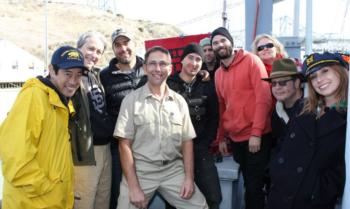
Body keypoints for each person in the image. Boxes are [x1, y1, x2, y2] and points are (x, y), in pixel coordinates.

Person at [115, 46, 208, 209]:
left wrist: (188, 178)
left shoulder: (179, 102)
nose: (157, 69)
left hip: (173, 170)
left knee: (200, 207)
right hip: (141, 171)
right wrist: (134, 187)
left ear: (170, 69)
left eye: (163, 64)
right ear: (144, 68)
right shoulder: (131, 101)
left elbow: (187, 142)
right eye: (152, 64)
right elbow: (124, 145)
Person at [0, 46, 86, 209]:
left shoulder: (60, 100)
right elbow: (15, 156)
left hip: (51, 200)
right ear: (52, 70)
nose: (74, 81)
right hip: (33, 202)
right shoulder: (34, 97)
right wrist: (46, 188)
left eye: (78, 75)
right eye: (68, 74)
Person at [267, 52, 348, 209]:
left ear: (339, 71)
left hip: (310, 201)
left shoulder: (346, 119)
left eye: (325, 71)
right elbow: (283, 146)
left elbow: (339, 168)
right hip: (279, 195)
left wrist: (318, 192)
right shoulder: (303, 107)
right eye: (313, 76)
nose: (319, 80)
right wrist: (275, 170)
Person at [211, 27, 273, 209]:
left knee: (254, 188)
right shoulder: (218, 74)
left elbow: (264, 98)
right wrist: (221, 137)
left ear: (231, 41)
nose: (219, 45)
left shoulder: (252, 61)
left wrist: (256, 133)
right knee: (248, 183)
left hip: (257, 138)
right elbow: (222, 106)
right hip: (236, 139)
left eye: (223, 40)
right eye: (215, 43)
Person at [167, 43, 222, 209]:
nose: (194, 62)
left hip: (200, 148)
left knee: (213, 197)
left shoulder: (206, 85)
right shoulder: (168, 85)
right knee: (175, 199)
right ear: (182, 61)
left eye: (198, 59)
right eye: (190, 57)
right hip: (174, 151)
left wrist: (205, 142)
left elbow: (214, 116)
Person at [100, 28, 147, 209]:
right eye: (117, 45)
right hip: (119, 148)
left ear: (134, 44)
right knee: (119, 196)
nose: (123, 48)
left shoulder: (149, 68)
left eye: (126, 43)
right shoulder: (104, 75)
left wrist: (203, 73)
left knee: (146, 192)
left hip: (148, 146)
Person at [70, 31, 113, 209]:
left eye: (98, 52)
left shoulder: (95, 74)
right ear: (78, 48)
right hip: (85, 153)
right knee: (84, 203)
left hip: (105, 150)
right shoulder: (69, 76)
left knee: (102, 201)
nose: (94, 55)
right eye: (90, 49)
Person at [261, 58, 305, 141]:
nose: (277, 87)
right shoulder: (276, 112)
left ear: (297, 83)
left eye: (282, 82)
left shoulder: (312, 109)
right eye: (273, 83)